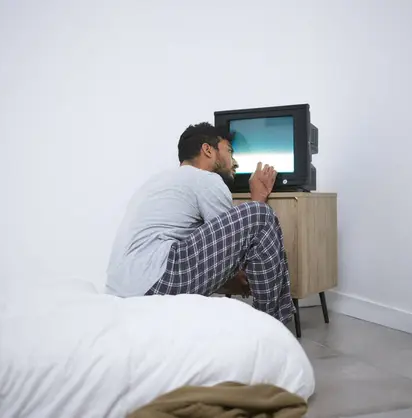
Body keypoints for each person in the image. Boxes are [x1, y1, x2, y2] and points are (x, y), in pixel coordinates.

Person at [106, 122, 295, 324]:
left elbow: (213, 258)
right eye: (229, 151)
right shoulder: (205, 179)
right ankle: (270, 325)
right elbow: (234, 250)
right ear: (207, 150)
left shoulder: (160, 182)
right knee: (260, 215)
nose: (235, 162)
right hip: (155, 280)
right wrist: (258, 197)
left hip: (123, 294)